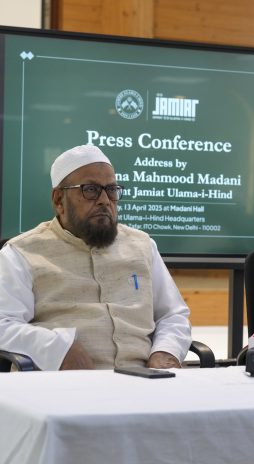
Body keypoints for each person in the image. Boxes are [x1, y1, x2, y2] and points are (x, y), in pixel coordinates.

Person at [0, 145, 191, 371]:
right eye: (90, 190)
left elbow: (173, 315)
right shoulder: (22, 252)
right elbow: (4, 324)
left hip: (145, 380)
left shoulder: (143, 245)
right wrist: (58, 348)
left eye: (111, 190)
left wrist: (166, 352)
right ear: (59, 200)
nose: (104, 200)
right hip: (62, 384)